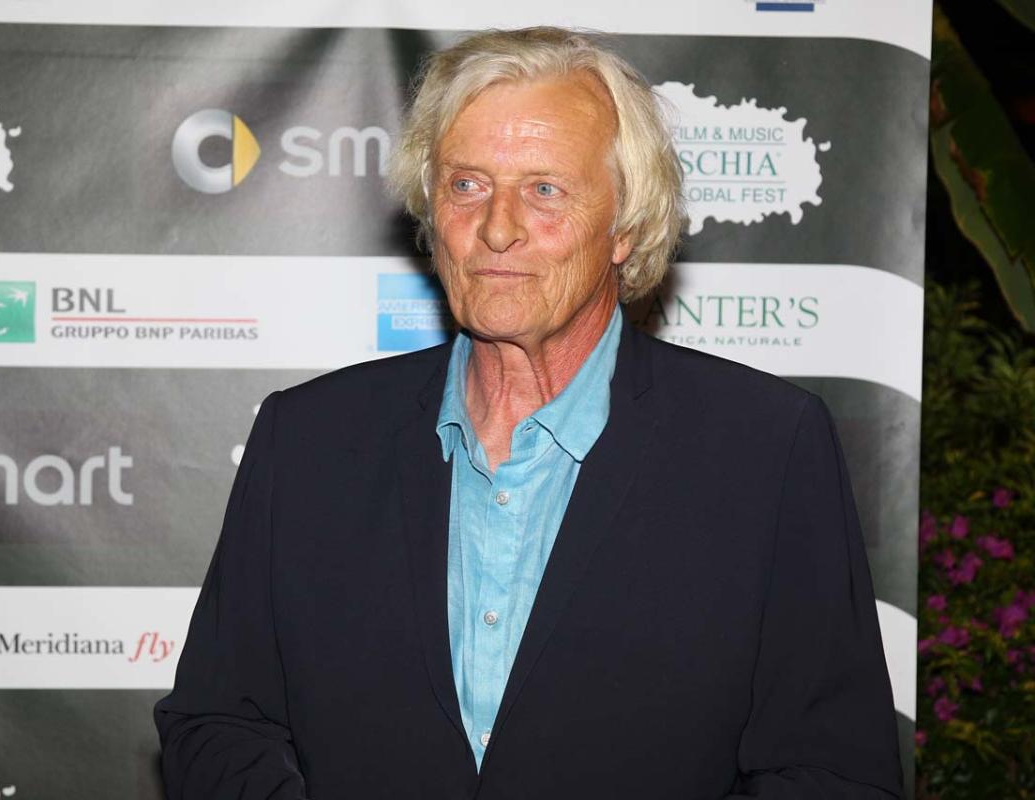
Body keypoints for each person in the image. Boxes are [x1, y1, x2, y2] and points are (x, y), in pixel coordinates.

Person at [155, 27, 903, 799]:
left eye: (544, 190)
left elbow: (834, 773)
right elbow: (217, 724)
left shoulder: (764, 451)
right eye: (466, 185)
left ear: (626, 227)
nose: (497, 227)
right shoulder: (308, 440)